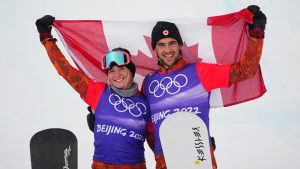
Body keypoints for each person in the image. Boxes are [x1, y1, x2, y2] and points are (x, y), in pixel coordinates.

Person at [141, 5, 267, 169]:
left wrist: (256, 32)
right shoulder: (149, 83)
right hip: (165, 161)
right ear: (155, 50)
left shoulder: (199, 71)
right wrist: (161, 155)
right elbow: (149, 128)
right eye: (161, 45)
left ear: (180, 45)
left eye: (172, 43)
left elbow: (246, 70)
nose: (167, 50)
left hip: (199, 158)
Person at [35, 15, 155, 169]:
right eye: (111, 71)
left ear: (131, 71)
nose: (116, 75)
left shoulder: (146, 103)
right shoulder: (98, 92)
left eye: (122, 69)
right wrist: (46, 38)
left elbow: (155, 143)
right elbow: (66, 71)